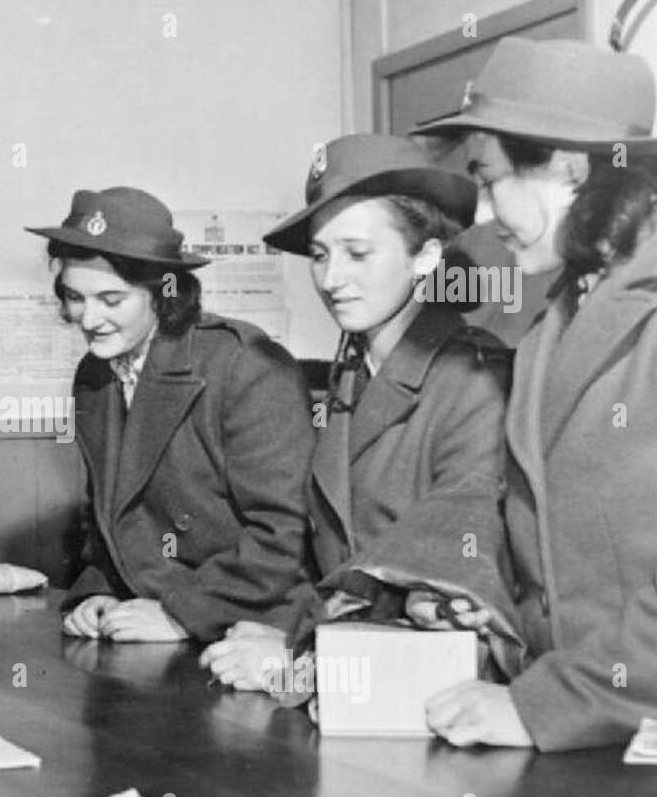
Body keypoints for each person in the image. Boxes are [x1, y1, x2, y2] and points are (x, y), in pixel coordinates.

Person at [409, 36, 657, 749]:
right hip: (589, 732)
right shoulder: (559, 311)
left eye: (490, 182)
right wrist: (475, 599)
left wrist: (545, 707)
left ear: (567, 169)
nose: (486, 215)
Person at [200, 135, 516, 692]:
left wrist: (298, 664)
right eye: (320, 256)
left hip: (431, 690)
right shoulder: (352, 372)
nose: (331, 279)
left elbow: (448, 592)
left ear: (426, 257)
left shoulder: (476, 379)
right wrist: (278, 629)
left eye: (358, 253)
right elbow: (331, 559)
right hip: (352, 671)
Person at [24, 187, 314, 644]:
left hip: (250, 624)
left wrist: (183, 613)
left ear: (163, 293)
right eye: (75, 296)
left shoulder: (245, 366)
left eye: (112, 300)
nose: (88, 318)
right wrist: (97, 591)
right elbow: (112, 515)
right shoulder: (95, 374)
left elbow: (283, 536)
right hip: (151, 615)